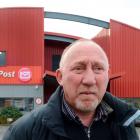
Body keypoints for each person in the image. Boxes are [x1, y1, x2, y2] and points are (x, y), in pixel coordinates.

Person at [3, 39, 140, 140]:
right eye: (78, 68)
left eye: (98, 68)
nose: (89, 80)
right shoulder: (24, 131)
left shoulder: (124, 124)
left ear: (108, 75)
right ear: (60, 77)